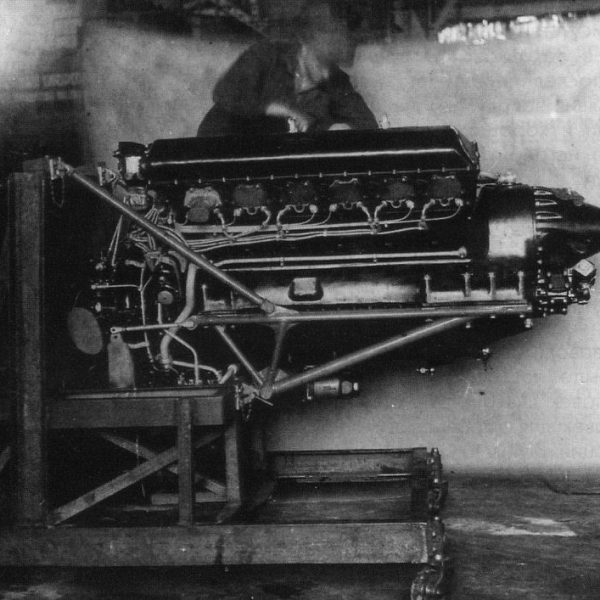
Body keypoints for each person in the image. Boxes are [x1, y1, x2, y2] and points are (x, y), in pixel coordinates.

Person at [197, 2, 377, 137]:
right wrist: (281, 109)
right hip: (221, 147)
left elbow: (368, 125)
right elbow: (224, 93)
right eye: (321, 65)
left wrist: (344, 128)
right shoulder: (266, 54)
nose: (326, 75)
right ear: (305, 45)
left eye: (331, 67)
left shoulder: (335, 81)